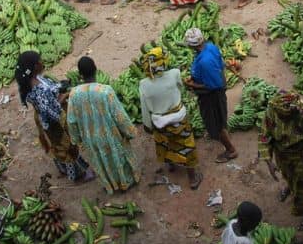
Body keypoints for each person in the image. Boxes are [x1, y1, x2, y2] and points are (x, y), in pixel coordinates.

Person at [15, 51, 95, 182]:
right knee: (66, 147)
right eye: (39, 61)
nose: (42, 62)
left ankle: (62, 168)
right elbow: (52, 110)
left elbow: (48, 93)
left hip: (44, 118)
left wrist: (60, 87)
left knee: (55, 146)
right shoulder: (40, 92)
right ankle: (79, 174)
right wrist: (65, 96)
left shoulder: (34, 80)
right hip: (55, 123)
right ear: (35, 67)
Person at [66, 56, 140, 194]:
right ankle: (126, 182)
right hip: (110, 135)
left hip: (90, 138)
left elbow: (71, 120)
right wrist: (130, 132)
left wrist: (76, 140)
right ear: (95, 70)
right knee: (119, 159)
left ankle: (112, 185)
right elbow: (120, 116)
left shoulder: (73, 94)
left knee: (101, 161)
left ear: (80, 75)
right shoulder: (105, 91)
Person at [258, 91, 303, 231]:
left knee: (302, 188)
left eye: (286, 115)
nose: (284, 118)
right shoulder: (271, 112)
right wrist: (269, 163)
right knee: (287, 175)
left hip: (301, 156)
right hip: (282, 155)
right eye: (281, 115)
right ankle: (289, 185)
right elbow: (264, 137)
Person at [138, 47, 202, 189]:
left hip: (159, 122)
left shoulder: (144, 84)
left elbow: (144, 108)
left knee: (165, 143)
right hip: (178, 119)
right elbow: (181, 87)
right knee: (187, 145)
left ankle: (172, 165)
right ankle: (192, 179)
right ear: (164, 62)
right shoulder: (174, 74)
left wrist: (147, 125)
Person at [185, 27, 238, 162]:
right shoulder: (210, 47)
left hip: (212, 96)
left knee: (216, 123)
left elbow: (210, 86)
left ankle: (231, 150)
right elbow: (220, 65)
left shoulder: (204, 62)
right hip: (217, 88)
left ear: (191, 45)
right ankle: (219, 132)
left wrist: (192, 85)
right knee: (219, 117)